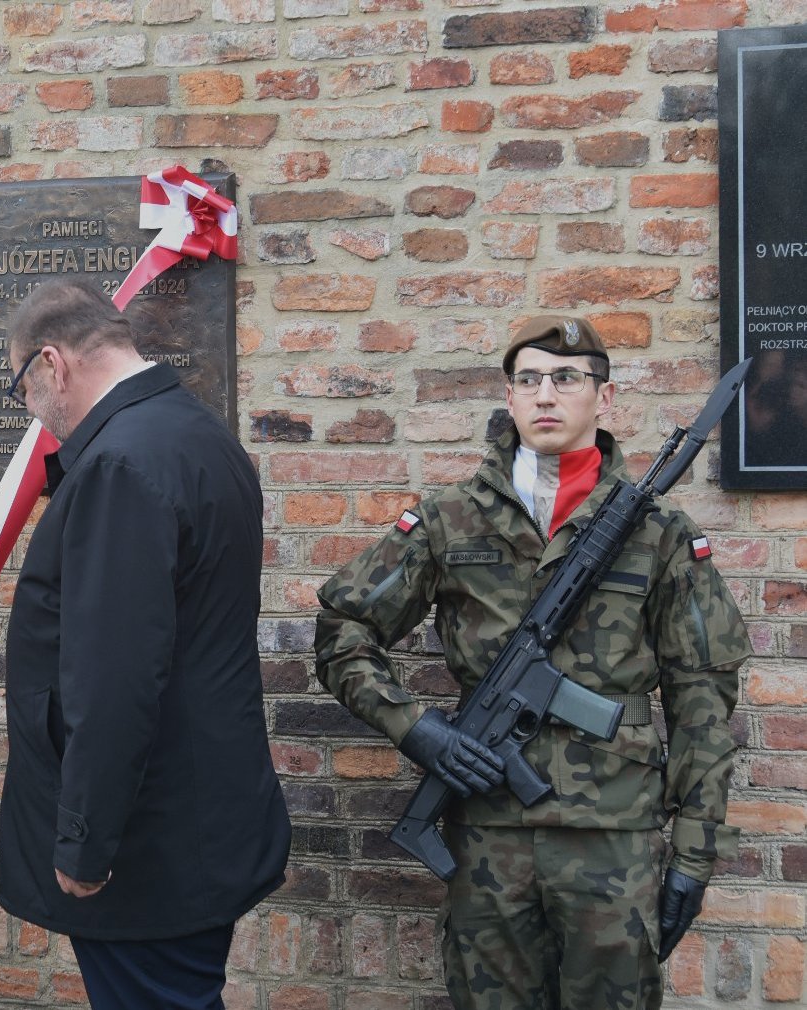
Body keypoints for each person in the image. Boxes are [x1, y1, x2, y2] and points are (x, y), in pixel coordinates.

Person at [316, 316, 750, 1009]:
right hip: (488, 838)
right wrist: (418, 730)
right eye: (529, 379)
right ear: (510, 398)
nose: (547, 395)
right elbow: (345, 628)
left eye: (568, 378)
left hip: (614, 839)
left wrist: (695, 853)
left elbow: (703, 699)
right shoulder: (450, 519)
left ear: (604, 400)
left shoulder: (658, 533)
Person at [0, 278, 290, 1010]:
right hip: (195, 818)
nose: (34, 415)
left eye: (22, 390)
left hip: (147, 841)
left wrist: (85, 844)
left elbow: (115, 676)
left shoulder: (120, 463)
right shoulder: (196, 434)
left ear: (51, 366)